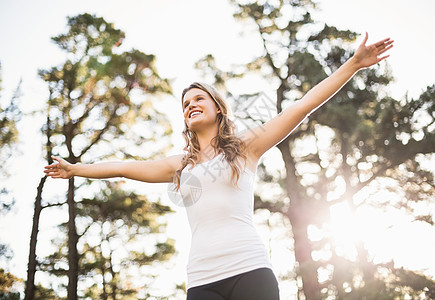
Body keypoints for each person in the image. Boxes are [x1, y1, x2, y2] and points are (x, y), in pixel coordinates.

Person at [44, 32, 393, 300]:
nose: (191, 105)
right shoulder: (179, 166)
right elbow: (124, 166)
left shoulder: (244, 149)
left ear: (218, 109)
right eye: (185, 104)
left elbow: (301, 107)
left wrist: (353, 64)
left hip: (250, 268)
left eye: (199, 99)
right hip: (202, 279)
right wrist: (76, 169)